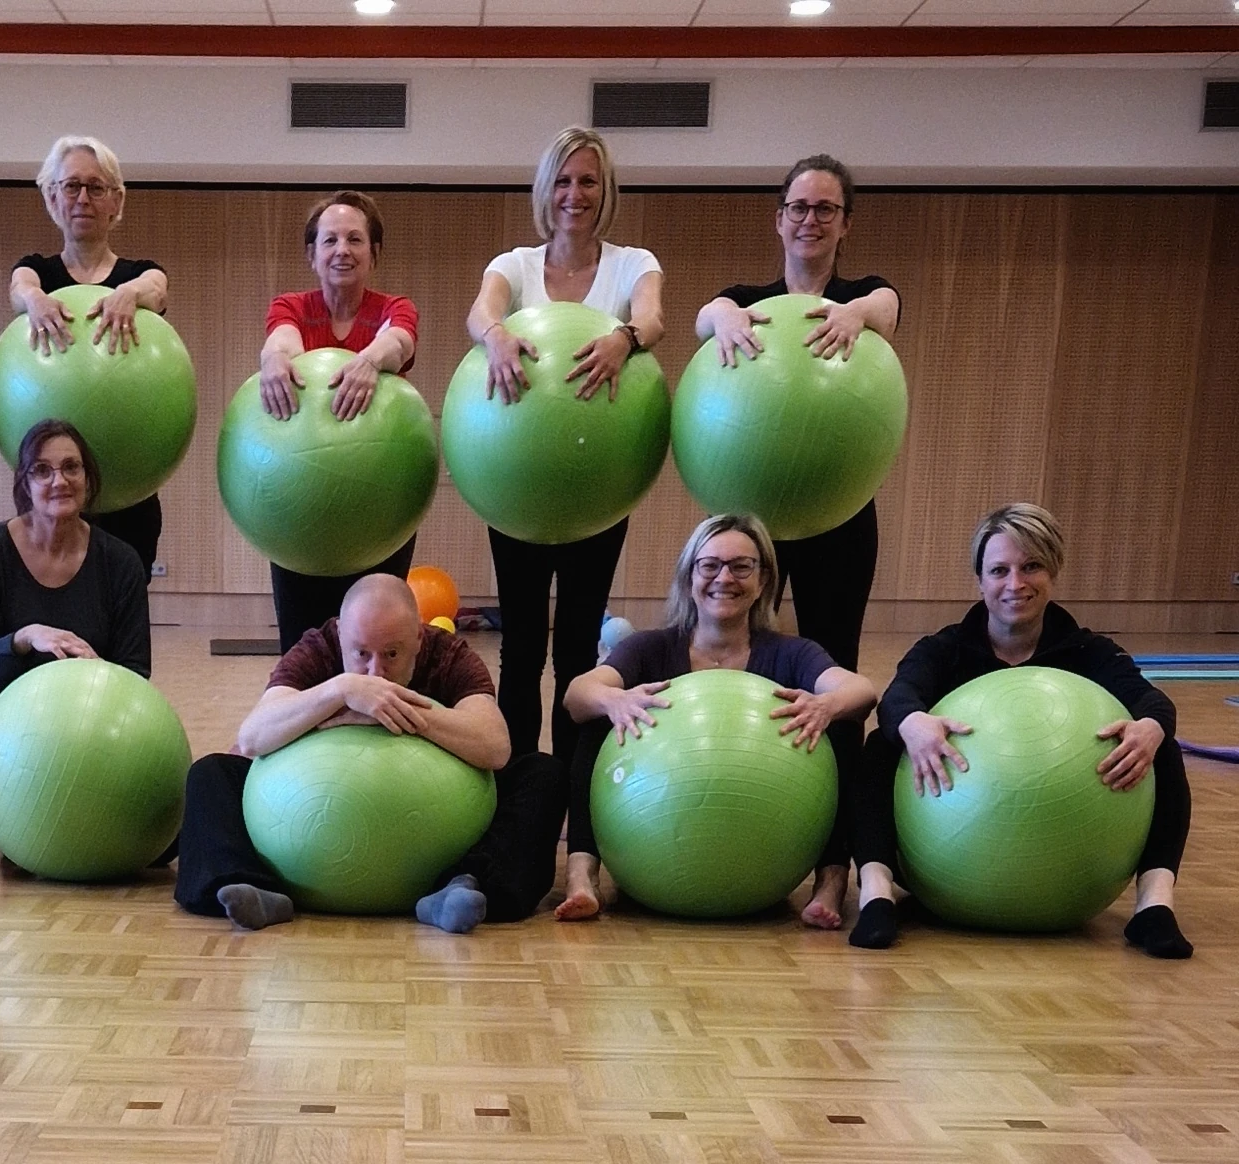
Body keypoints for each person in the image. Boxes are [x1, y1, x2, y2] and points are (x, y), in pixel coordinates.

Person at [851, 504, 1193, 958]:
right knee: (880, 744)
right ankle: (877, 894)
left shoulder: (1088, 651)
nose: (1016, 584)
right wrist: (914, 724)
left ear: (1052, 571)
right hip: (948, 843)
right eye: (999, 570)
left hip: (1068, 847)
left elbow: (1151, 701)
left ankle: (1153, 906)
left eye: (1031, 567)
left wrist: (1150, 727)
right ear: (980, 580)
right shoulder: (945, 648)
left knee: (1160, 746)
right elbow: (898, 697)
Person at [174, 574, 566, 934]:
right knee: (210, 773)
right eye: (360, 653)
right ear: (341, 634)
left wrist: (401, 711)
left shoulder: (448, 654)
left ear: (418, 637)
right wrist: (341, 692)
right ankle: (255, 888)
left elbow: (495, 746)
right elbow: (253, 737)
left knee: (543, 774)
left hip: (437, 838)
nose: (375, 672)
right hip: (313, 821)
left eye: (392, 654)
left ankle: (462, 886)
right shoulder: (318, 647)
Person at [559, 514, 876, 926]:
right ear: (689, 578)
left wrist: (827, 706)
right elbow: (576, 694)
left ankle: (830, 883)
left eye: (741, 566)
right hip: (656, 830)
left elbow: (862, 691)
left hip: (762, 821)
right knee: (597, 720)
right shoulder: (650, 647)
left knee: (844, 724)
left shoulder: (790, 652)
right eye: (709, 565)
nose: (724, 578)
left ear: (764, 581)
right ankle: (581, 877)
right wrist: (613, 700)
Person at [463, 126, 665, 767]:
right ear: (545, 189)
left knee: (579, 646)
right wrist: (495, 336)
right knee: (521, 645)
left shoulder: (633, 263)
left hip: (597, 488)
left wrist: (624, 338)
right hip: (517, 488)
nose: (574, 194)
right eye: (563, 180)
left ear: (604, 192)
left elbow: (654, 316)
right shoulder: (514, 266)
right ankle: (522, 784)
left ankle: (578, 789)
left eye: (587, 181)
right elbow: (480, 312)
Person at [691, 153, 900, 676]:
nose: (811, 220)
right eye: (799, 208)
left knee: (835, 653)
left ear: (846, 222)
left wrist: (854, 313)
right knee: (744, 650)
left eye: (826, 210)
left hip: (840, 510)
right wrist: (723, 316)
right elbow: (706, 316)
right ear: (779, 218)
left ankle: (840, 759)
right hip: (751, 510)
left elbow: (888, 306)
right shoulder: (747, 303)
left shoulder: (859, 299)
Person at [258, 190, 421, 654]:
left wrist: (370, 360)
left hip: (380, 507)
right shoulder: (291, 305)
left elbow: (401, 341)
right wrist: (272, 359)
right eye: (329, 240)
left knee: (375, 642)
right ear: (312, 254)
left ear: (374, 254)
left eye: (355, 239)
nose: (342, 250)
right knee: (302, 645)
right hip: (299, 509)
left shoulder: (395, 307)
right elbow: (283, 342)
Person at [8, 135, 172, 581]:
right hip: (49, 488)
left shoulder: (137, 275)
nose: (83, 199)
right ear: (51, 197)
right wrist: (35, 301)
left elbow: (156, 287)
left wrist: (128, 293)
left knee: (121, 614)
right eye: (71, 186)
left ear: (116, 201)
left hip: (128, 490)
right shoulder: (37, 272)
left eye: (96, 188)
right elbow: (19, 287)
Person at [0, 420, 151, 719]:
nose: (59, 481)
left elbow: (137, 671)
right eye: (42, 470)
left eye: (71, 467)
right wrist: (25, 637)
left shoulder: (121, 561)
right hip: (11, 736)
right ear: (25, 483)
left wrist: (98, 672)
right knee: (3, 665)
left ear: (88, 477)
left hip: (94, 719)